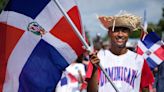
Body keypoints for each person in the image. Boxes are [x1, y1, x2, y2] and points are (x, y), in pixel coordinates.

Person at [86, 11, 154, 92]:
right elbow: (91, 91)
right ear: (109, 33)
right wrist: (95, 69)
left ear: (129, 33)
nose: (120, 34)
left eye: (124, 31)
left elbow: (146, 89)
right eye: (116, 30)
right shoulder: (98, 58)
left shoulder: (139, 60)